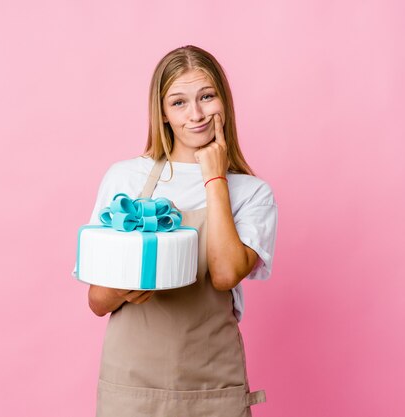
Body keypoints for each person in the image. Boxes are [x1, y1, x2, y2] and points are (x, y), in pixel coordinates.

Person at [82, 45, 277, 416]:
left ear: (224, 101)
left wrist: (215, 175)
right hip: (132, 385)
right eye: (179, 102)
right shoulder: (126, 178)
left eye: (207, 96)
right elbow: (96, 301)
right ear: (163, 114)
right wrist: (133, 283)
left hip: (212, 387)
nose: (197, 114)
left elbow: (224, 274)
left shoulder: (252, 193)